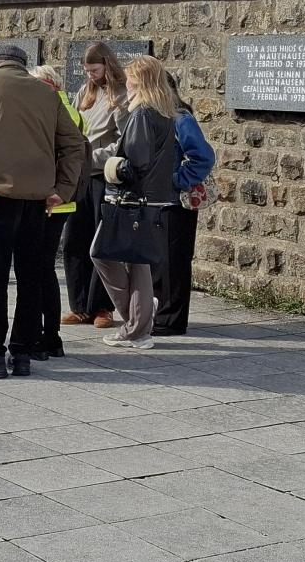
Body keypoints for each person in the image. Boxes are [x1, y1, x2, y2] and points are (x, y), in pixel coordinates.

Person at [0, 45, 85, 379]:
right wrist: (62, 189)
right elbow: (74, 145)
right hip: (39, 200)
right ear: (25, 67)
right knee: (31, 278)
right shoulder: (47, 93)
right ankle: (22, 352)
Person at [91, 55, 180, 350]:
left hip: (134, 199)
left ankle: (137, 327)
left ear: (138, 81)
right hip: (152, 199)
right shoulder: (163, 111)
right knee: (137, 263)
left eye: (129, 77)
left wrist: (111, 165)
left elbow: (136, 161)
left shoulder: (142, 113)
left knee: (102, 253)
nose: (125, 81)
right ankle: (138, 322)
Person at [62, 43, 127, 328]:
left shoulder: (121, 96)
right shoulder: (84, 93)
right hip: (81, 175)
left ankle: (102, 306)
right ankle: (79, 306)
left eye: (95, 70)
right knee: (74, 240)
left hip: (102, 175)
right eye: (86, 71)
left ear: (107, 65)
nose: (90, 76)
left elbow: (124, 142)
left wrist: (92, 156)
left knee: (101, 244)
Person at [27, 64, 86, 360]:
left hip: (49, 200)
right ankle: (49, 336)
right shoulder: (67, 109)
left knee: (40, 270)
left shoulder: (56, 111)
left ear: (49, 84)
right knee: (44, 269)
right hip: (61, 199)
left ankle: (45, 336)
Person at [154, 73, 216, 336]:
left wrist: (176, 179)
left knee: (173, 262)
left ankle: (172, 319)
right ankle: (160, 314)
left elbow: (203, 157)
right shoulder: (160, 118)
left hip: (176, 202)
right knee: (159, 261)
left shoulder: (181, 118)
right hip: (159, 201)